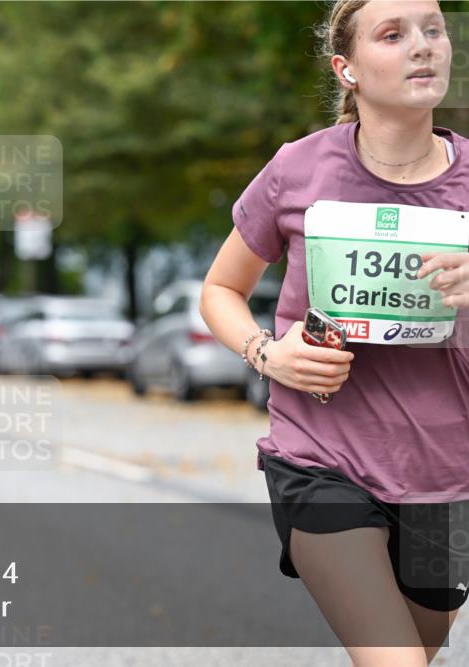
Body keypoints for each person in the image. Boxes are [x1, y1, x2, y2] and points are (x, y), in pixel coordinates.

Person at [200, 2, 468, 664]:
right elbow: (220, 289)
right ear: (346, 69)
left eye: (434, 29)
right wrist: (268, 353)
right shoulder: (299, 169)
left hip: (447, 481)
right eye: (394, 34)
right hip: (322, 462)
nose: (424, 46)